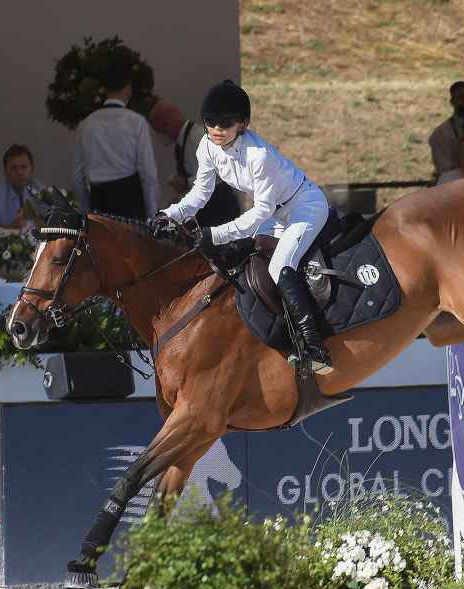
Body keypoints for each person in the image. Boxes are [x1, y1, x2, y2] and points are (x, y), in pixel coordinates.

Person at [152, 80, 333, 373]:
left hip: (304, 207)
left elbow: (260, 212)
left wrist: (216, 233)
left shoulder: (258, 156)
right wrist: (170, 214)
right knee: (249, 266)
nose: (216, 129)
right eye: (210, 122)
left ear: (243, 124)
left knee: (279, 267)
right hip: (276, 213)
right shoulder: (206, 147)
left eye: (226, 123)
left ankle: (315, 347)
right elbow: (200, 192)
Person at [73, 65, 159, 220]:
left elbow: (78, 176)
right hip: (131, 203)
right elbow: (148, 174)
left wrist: (85, 210)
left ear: (104, 90)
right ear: (128, 89)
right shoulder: (136, 122)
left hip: (98, 202)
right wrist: (152, 215)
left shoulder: (85, 125)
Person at [147, 98, 242, 228]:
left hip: (219, 208)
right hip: (209, 206)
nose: (159, 134)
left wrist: (186, 182)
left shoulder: (197, 139)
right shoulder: (183, 143)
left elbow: (219, 174)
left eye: (157, 128)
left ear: (166, 124)